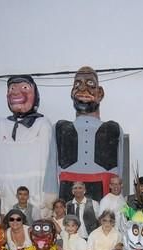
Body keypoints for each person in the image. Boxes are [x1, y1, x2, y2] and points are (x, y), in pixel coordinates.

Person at [44, 66, 124, 203]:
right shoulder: (60, 127)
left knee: (103, 223)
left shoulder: (113, 128)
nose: (82, 89)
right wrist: (50, 194)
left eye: (90, 84)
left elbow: (121, 167)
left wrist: (119, 198)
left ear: (100, 93)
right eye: (77, 84)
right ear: (71, 92)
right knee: (68, 222)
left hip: (103, 190)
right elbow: (52, 163)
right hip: (68, 188)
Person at [0, 75, 51, 216]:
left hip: (36, 196)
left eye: (24, 88)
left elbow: (49, 161)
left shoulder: (43, 124)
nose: (15, 92)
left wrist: (49, 193)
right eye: (12, 88)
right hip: (8, 198)